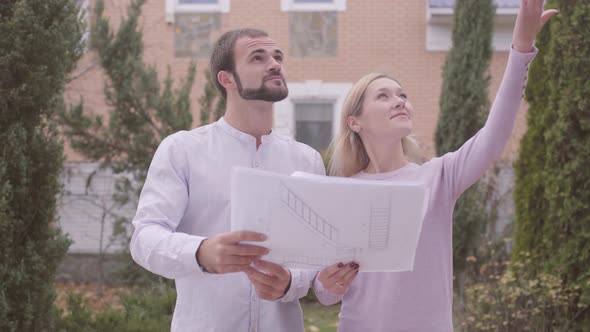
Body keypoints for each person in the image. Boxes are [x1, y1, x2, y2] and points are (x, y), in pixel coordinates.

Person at [312, 1, 558, 331]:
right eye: (383, 96)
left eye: (402, 95)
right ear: (355, 122)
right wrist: (328, 284)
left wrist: (521, 49)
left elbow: (496, 131)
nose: (399, 100)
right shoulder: (342, 192)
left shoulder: (439, 176)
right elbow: (324, 295)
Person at [130, 28, 325, 332]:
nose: (274, 64)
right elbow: (144, 238)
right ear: (227, 79)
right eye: (257, 58)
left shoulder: (307, 161)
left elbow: (317, 253)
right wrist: (200, 252)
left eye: (277, 57)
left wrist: (291, 282)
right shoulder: (182, 150)